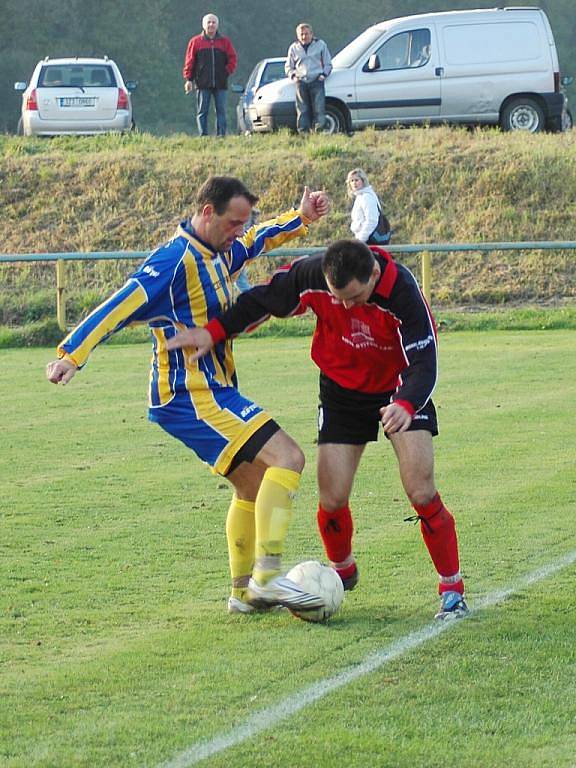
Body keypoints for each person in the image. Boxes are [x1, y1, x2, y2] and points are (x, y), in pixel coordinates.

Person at [46, 176, 331, 615]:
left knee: (253, 485)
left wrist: (301, 219)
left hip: (211, 389)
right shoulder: (172, 262)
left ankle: (245, 594)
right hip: (190, 394)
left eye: (242, 222)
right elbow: (117, 306)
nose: (239, 229)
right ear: (206, 214)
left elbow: (256, 241)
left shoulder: (218, 251)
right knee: (289, 458)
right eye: (233, 222)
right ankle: (269, 578)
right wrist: (71, 355)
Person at [166, 239, 469, 620]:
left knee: (421, 490)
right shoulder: (312, 273)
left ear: (373, 274)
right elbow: (264, 299)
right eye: (337, 297)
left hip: (399, 389)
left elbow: (426, 361)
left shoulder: (403, 292)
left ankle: (452, 590)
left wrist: (406, 403)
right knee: (331, 500)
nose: (344, 306)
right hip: (342, 390)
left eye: (354, 297)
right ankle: (341, 572)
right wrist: (214, 331)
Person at [183, 13, 237, 136]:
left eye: (213, 22)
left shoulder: (225, 42)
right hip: (202, 83)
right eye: (209, 22)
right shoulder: (195, 42)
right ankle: (203, 136)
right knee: (202, 111)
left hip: (220, 83)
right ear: (204, 25)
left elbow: (233, 59)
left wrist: (226, 72)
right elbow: (189, 61)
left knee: (221, 111)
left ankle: (221, 135)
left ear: (217, 25)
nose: (211, 25)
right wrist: (189, 79)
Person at [285, 23, 332, 133]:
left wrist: (323, 75)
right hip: (301, 81)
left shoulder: (320, 45)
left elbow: (328, 63)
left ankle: (320, 131)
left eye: (306, 34)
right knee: (302, 109)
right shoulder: (293, 48)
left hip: (317, 80)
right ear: (297, 36)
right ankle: (303, 132)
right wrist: (293, 76)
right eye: (301, 34)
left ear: (311, 34)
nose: (304, 37)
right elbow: (288, 66)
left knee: (319, 108)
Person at [346, 168, 391, 245]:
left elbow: (371, 221)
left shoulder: (367, 197)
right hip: (365, 239)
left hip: (368, 241)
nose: (354, 183)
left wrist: (360, 240)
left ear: (363, 181)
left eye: (357, 180)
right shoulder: (360, 197)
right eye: (351, 181)